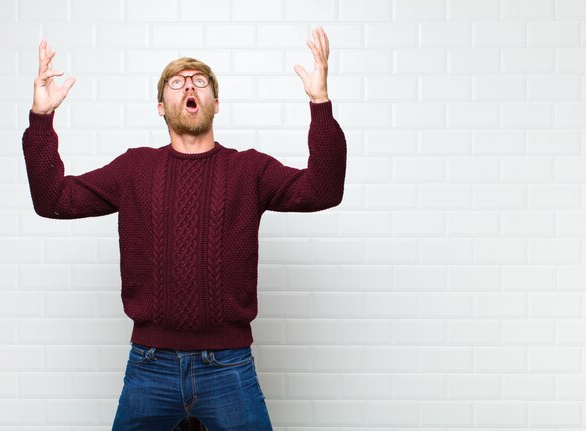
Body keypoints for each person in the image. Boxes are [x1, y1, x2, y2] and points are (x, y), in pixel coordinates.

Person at [22, 26, 346, 431]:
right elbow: (53, 200)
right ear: (161, 106)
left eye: (199, 81)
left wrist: (320, 102)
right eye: (176, 82)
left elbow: (324, 189)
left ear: (215, 102)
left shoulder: (249, 169)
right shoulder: (134, 168)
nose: (189, 86)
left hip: (228, 364)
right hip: (149, 365)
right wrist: (41, 118)